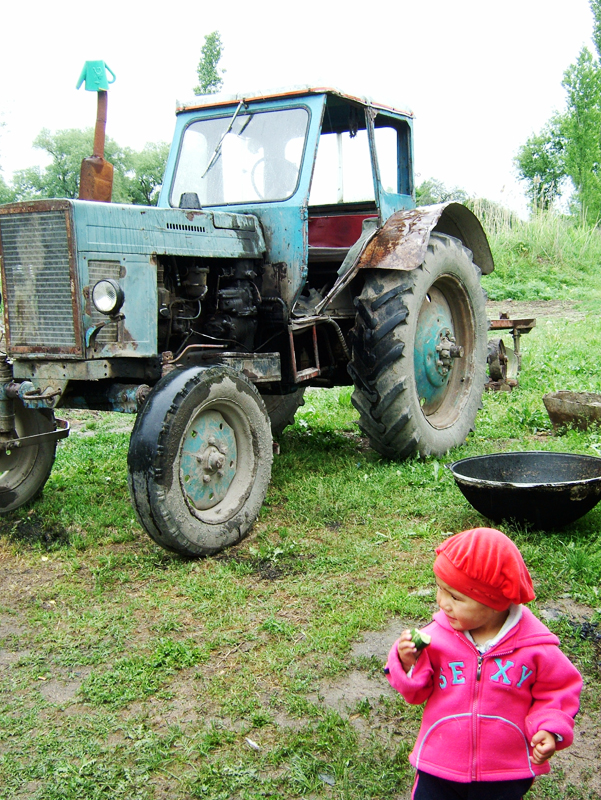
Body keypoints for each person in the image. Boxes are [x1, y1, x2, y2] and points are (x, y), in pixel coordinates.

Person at [385, 527, 583, 800]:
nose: (442, 603)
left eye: (456, 597)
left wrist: (548, 728)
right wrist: (408, 661)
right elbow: (416, 693)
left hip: (505, 773)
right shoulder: (437, 637)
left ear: (495, 602)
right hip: (439, 764)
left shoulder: (536, 648)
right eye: (440, 589)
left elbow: (558, 690)